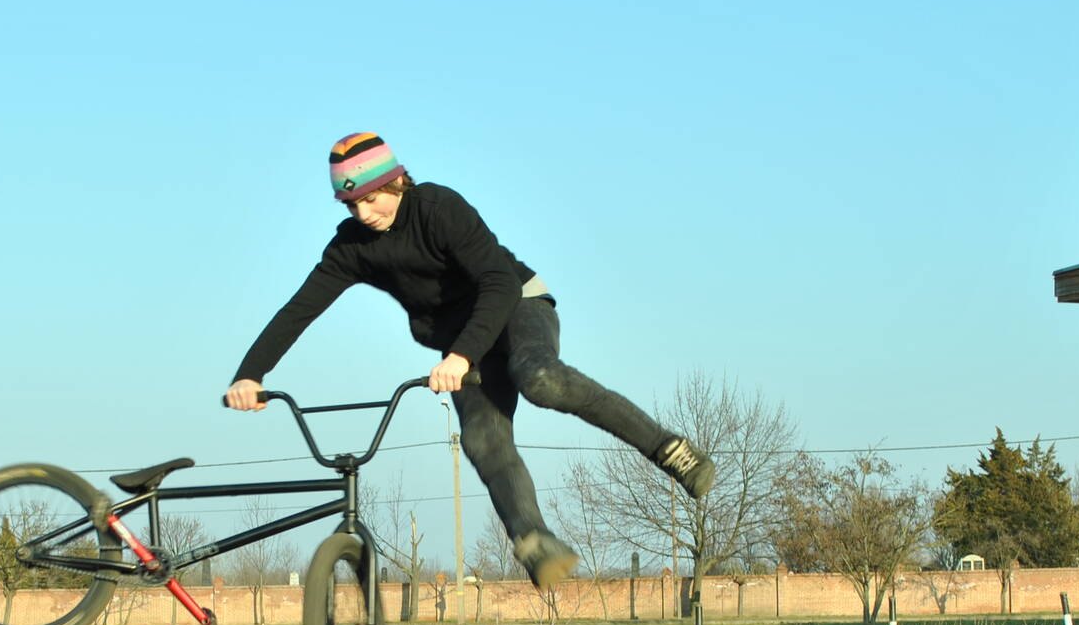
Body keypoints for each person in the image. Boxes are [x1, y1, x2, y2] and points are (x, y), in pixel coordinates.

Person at [224, 131, 714, 590]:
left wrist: (460, 355)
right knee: (482, 438)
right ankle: (535, 541)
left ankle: (669, 449)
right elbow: (300, 309)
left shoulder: (439, 209)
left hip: (516, 303)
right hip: (463, 341)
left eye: (371, 198)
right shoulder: (351, 247)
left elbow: (498, 282)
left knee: (540, 379)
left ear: (396, 182)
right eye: (352, 204)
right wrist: (250, 374)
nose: (363, 212)